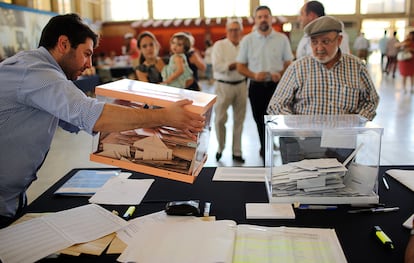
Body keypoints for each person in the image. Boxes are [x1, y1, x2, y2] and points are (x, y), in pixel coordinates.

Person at [0, 14, 205, 228]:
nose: (89, 64)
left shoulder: (42, 73)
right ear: (63, 44)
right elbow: (89, 114)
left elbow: (74, 120)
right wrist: (164, 116)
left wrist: (130, 112)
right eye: (86, 54)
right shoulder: (36, 72)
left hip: (12, 199)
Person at [267, 15, 379, 121]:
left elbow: (371, 101)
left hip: (343, 138)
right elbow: (276, 105)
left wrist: (355, 123)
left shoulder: (356, 67)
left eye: (325, 41)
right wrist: (297, 127)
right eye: (314, 42)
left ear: (339, 40)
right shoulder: (298, 68)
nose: (319, 48)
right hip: (304, 139)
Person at [236, 5, 294, 158]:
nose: (263, 19)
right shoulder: (247, 40)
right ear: (255, 20)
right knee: (260, 121)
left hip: (277, 87)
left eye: (266, 16)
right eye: (260, 17)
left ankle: (285, 152)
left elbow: (289, 63)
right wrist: (254, 75)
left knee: (281, 120)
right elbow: (240, 66)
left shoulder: (281, 39)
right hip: (256, 87)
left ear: (271, 18)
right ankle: (265, 149)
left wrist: (280, 74)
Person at [212, 19, 247, 163]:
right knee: (220, 119)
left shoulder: (245, 45)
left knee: (239, 120)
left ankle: (237, 152)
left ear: (241, 31)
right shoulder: (219, 45)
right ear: (227, 31)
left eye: (237, 29)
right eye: (231, 30)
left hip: (241, 84)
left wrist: (240, 66)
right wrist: (237, 65)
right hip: (223, 85)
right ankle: (220, 147)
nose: (234, 32)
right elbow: (218, 66)